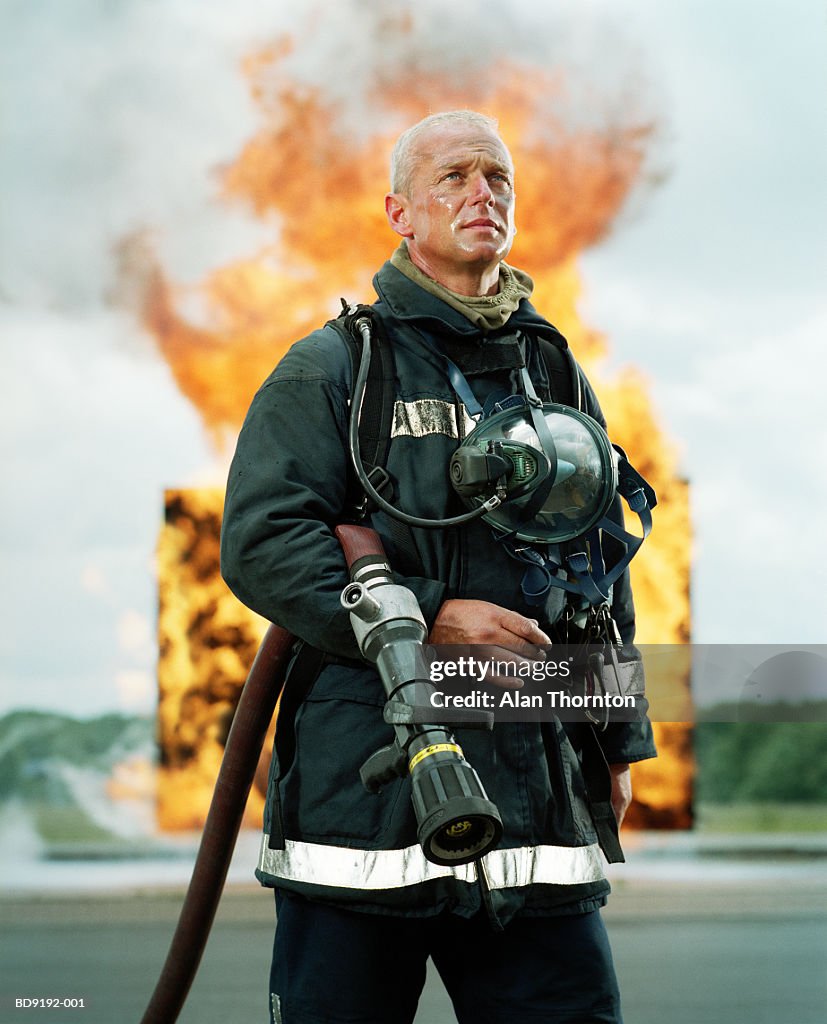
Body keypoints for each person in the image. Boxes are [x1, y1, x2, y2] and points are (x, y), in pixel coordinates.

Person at [221, 110, 657, 1024]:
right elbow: (262, 543)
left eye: (495, 177)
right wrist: (429, 613)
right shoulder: (335, 367)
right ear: (399, 211)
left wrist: (614, 740)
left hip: (536, 809)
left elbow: (598, 570)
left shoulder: (556, 376)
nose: (480, 193)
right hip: (365, 811)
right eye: (453, 177)